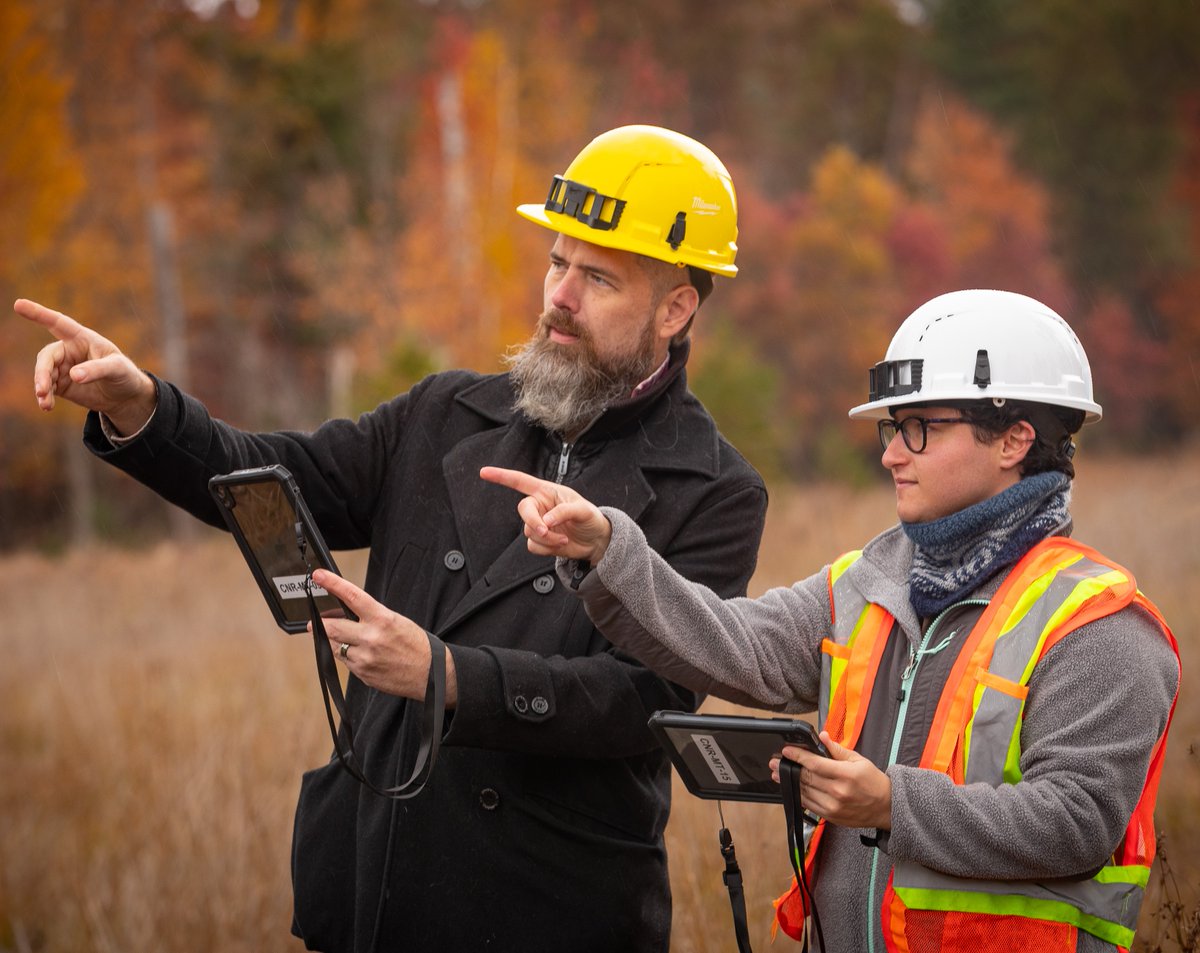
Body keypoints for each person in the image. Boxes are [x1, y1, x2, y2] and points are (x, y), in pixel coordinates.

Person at [17, 124, 768, 953]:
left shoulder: (715, 490)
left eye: (598, 277)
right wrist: (141, 407)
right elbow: (273, 479)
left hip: (547, 908)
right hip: (373, 882)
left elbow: (642, 701)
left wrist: (449, 677)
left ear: (676, 305)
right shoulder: (446, 412)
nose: (558, 294)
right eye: (558, 262)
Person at [484, 289, 1181, 953]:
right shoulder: (869, 581)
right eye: (891, 427)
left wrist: (891, 803)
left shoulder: (1097, 624)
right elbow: (737, 645)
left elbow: (1077, 821)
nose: (889, 453)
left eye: (919, 428)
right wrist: (608, 548)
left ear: (1014, 439)